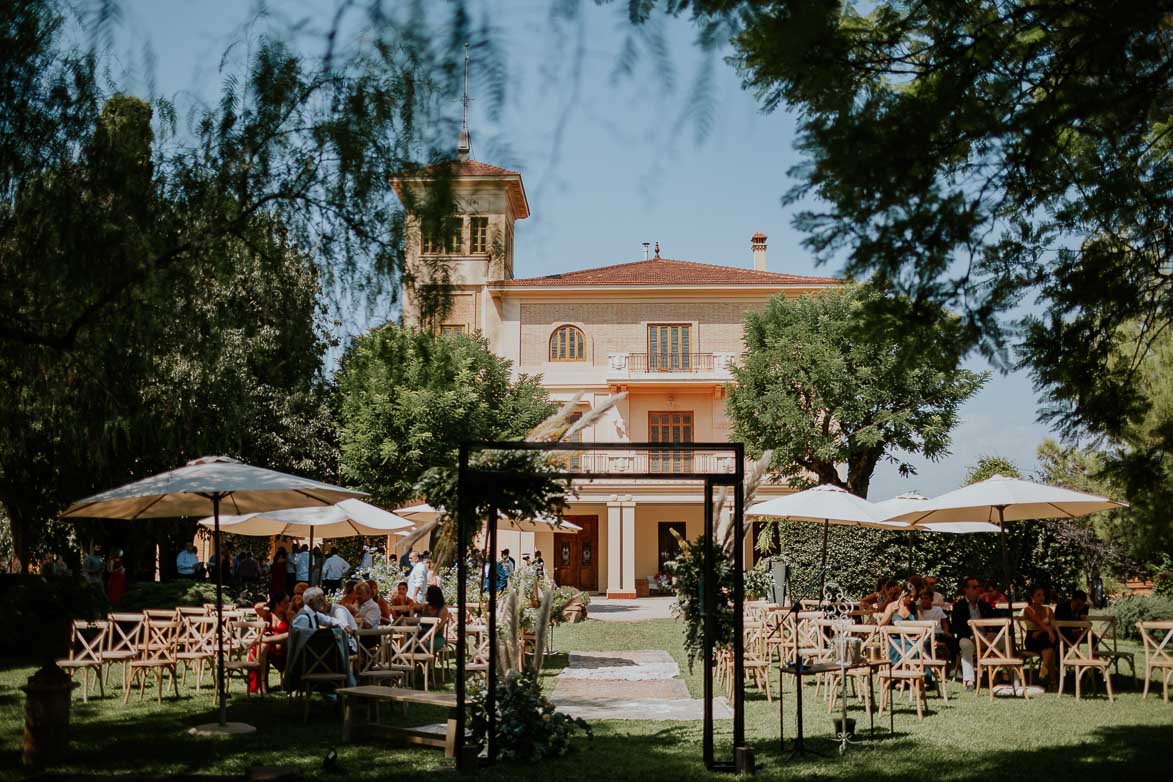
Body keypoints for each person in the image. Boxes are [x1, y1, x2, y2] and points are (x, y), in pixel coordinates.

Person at [950, 576, 993, 691]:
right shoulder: (959, 606)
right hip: (968, 638)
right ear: (966, 590)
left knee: (1006, 639)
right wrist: (971, 636)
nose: (978, 589)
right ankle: (969, 680)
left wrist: (990, 633)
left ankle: (1006, 676)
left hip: (985, 638)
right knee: (966, 645)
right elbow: (955, 627)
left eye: (978, 587)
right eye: (974, 587)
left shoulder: (984, 605)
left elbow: (993, 622)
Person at [251, 595, 290, 694]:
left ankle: (264, 683)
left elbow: (291, 634)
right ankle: (262, 683)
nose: (288, 604)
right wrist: (265, 604)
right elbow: (257, 608)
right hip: (269, 647)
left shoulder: (288, 615)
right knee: (262, 646)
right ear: (278, 603)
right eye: (285, 602)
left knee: (263, 643)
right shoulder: (268, 615)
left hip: (284, 646)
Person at [1022, 586, 1058, 684]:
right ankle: (1052, 681)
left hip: (1044, 637)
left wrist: (1042, 631)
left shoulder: (1048, 610)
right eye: (1038, 595)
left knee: (1049, 643)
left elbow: (1053, 625)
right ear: (1032, 597)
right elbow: (1039, 622)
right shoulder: (1028, 610)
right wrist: (1048, 630)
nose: (1041, 597)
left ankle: (1044, 666)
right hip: (1032, 639)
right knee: (1050, 643)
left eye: (1043, 595)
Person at [419, 585, 450, 653]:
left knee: (421, 644)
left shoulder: (443, 610)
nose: (425, 594)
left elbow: (436, 628)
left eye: (427, 593)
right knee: (409, 642)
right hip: (421, 635)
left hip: (436, 637)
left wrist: (425, 639)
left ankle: (426, 662)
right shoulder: (424, 607)